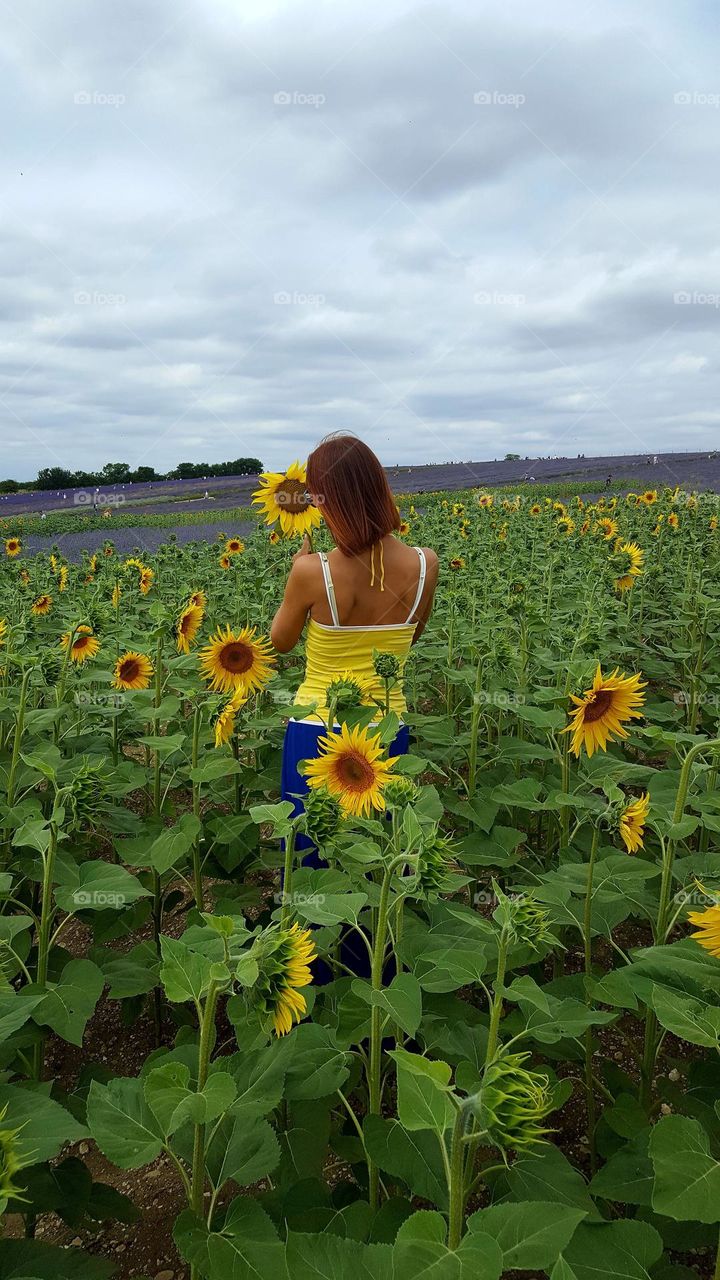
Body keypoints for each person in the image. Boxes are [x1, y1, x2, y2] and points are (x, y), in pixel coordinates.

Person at [271, 433, 439, 865]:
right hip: (386, 728)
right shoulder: (425, 565)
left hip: (317, 728)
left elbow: (280, 642)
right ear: (379, 487)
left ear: (330, 501)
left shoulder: (313, 572)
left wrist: (296, 570)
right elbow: (407, 640)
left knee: (312, 858)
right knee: (374, 855)